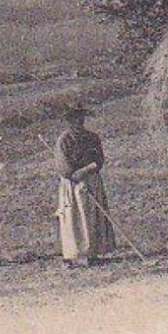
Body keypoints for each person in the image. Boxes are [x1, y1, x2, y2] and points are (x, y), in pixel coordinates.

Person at [54, 103, 116, 266]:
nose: (79, 121)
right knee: (75, 217)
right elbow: (63, 166)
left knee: (91, 216)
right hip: (73, 186)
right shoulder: (64, 140)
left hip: (91, 180)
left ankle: (93, 253)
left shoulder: (92, 138)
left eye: (81, 118)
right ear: (69, 121)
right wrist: (75, 176)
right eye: (75, 118)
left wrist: (88, 169)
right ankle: (74, 254)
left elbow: (99, 159)